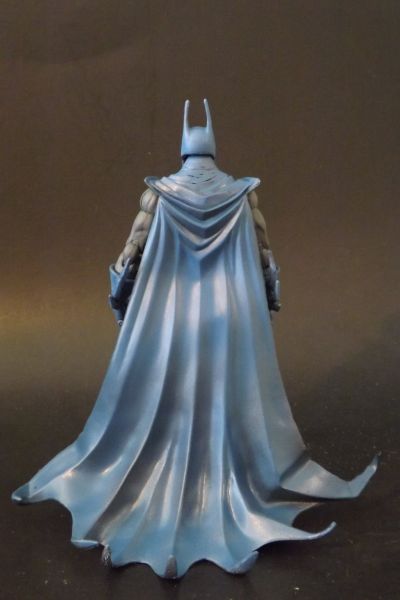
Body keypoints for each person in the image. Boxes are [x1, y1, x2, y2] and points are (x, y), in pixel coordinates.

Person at [12, 99, 377, 579]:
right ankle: (224, 494)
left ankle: (150, 507)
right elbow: (266, 261)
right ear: (214, 149)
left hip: (171, 319)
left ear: (183, 150)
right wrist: (269, 305)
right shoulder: (241, 196)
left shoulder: (160, 197)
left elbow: (129, 257)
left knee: (167, 401)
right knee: (226, 403)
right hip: (229, 318)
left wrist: (120, 303)